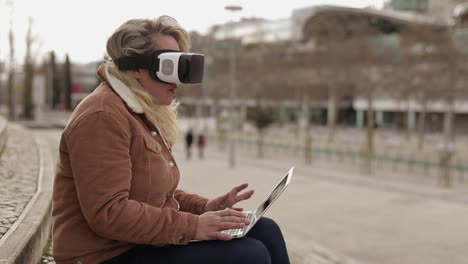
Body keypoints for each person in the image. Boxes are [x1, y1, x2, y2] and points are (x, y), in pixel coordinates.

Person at [51, 16, 290, 264]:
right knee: (249, 255)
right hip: (102, 256)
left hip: (136, 245)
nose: (177, 80)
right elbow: (109, 213)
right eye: (168, 66)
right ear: (134, 67)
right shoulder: (102, 117)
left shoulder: (138, 113)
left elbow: (155, 194)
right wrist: (194, 225)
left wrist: (205, 208)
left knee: (265, 230)